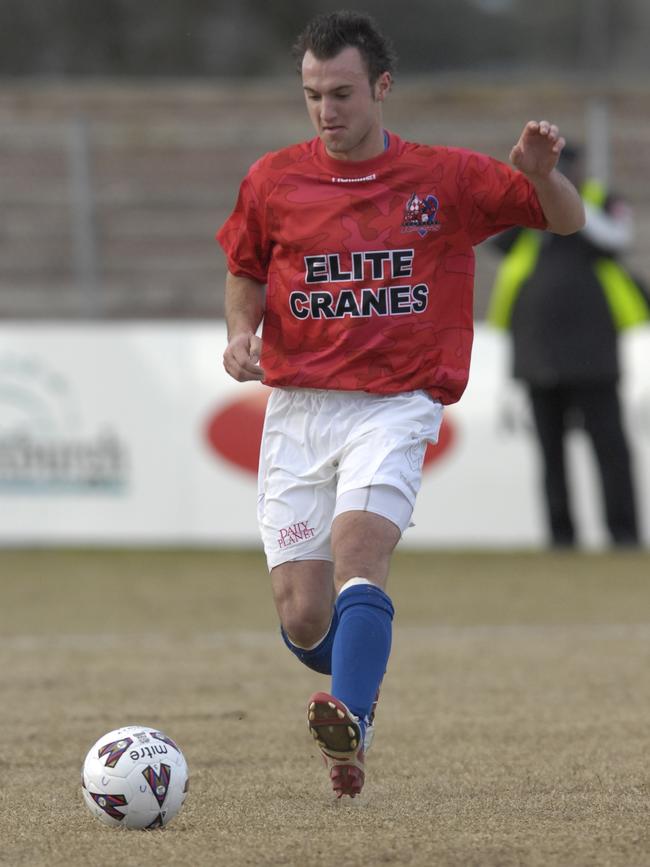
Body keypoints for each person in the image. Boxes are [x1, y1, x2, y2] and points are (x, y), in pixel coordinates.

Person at [217, 10, 584, 798]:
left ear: (382, 86)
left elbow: (565, 219)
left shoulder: (444, 179)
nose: (327, 111)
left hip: (395, 402)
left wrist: (543, 172)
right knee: (305, 614)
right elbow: (245, 268)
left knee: (359, 554)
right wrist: (241, 333)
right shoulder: (273, 179)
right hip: (297, 407)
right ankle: (356, 657)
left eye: (342, 92)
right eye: (313, 94)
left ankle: (350, 717)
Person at [487, 144, 648, 548]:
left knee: (610, 449)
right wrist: (537, 195)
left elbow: (617, 237)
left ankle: (624, 535)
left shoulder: (601, 202)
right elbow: (496, 241)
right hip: (538, 355)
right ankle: (561, 538)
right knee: (551, 455)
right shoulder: (528, 210)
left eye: (566, 168)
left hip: (593, 356)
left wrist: (564, 199)